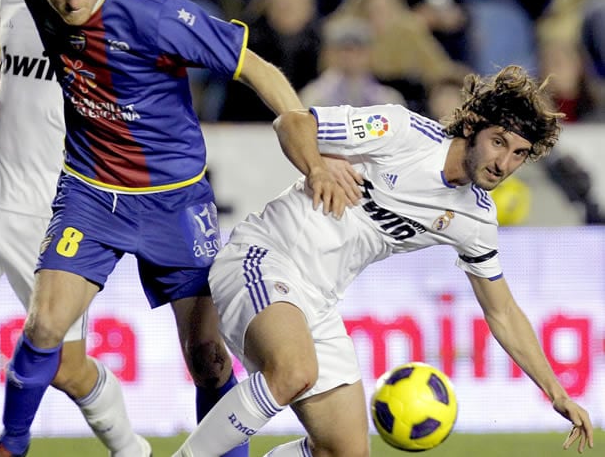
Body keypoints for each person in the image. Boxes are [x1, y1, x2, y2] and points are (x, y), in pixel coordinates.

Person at [0, 0, 306, 456]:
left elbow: (254, 68)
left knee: (208, 358)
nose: (70, 0)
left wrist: (306, 144)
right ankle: (10, 446)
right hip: (90, 193)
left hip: (174, 201)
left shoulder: (155, 14)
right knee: (44, 325)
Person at [173, 65, 594, 456]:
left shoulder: (475, 217)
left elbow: (501, 310)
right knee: (293, 369)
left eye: (519, 154)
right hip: (265, 255)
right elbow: (292, 122)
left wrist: (556, 392)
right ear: (471, 126)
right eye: (498, 142)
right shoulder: (402, 130)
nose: (503, 163)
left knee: (343, 451)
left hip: (317, 300)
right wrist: (318, 167)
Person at [0, 0, 150, 457]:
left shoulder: (118, 13)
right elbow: (20, 58)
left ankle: (131, 449)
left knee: (67, 368)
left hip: (51, 216)